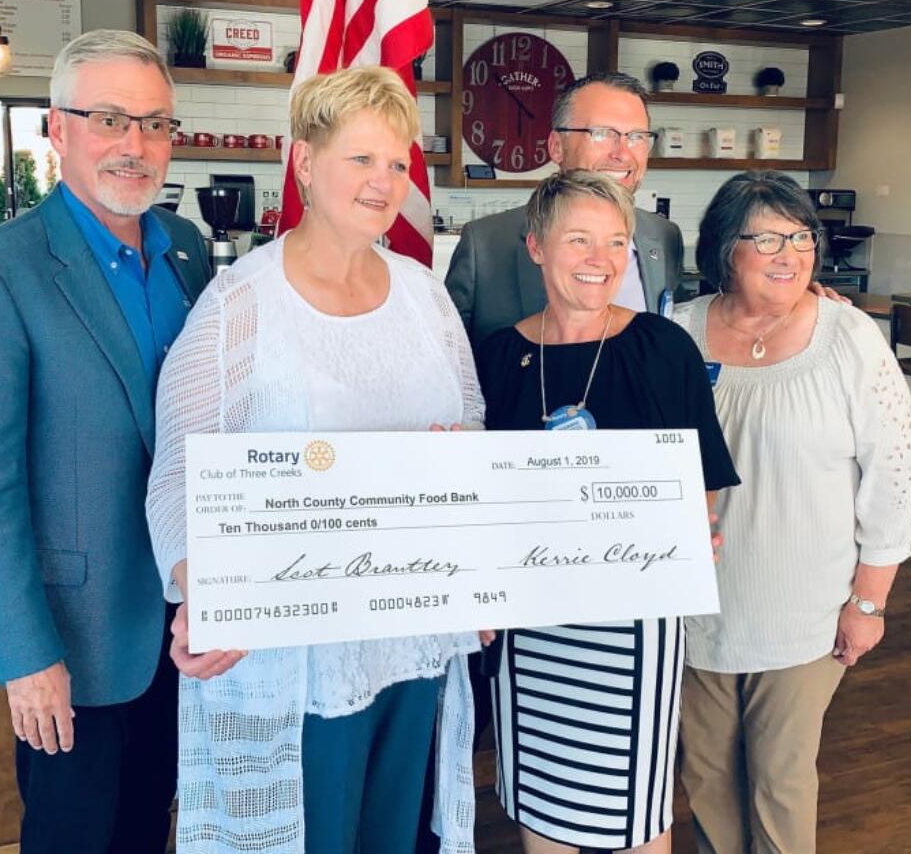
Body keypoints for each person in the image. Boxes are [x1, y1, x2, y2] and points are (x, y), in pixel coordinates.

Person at [145, 65, 483, 854]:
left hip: (413, 632)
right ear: (304, 163)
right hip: (299, 653)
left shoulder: (424, 294)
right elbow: (179, 474)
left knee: (394, 836)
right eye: (360, 159)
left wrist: (479, 568)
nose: (384, 182)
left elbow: (471, 429)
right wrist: (203, 593)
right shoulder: (240, 304)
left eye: (397, 163)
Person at [0, 29, 212, 852]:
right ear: (59, 129)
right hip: (73, 638)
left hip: (178, 624)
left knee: (145, 827)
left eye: (157, 124)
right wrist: (23, 654)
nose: (136, 145)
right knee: (72, 836)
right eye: (111, 120)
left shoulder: (187, 254)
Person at [475, 169, 741, 854]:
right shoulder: (499, 357)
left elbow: (704, 473)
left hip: (634, 623)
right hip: (531, 625)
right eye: (580, 240)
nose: (601, 260)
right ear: (537, 246)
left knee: (636, 814)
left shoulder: (661, 347)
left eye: (616, 242)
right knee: (543, 810)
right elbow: (476, 495)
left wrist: (692, 534)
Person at [671, 170, 911, 854]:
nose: (791, 253)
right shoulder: (676, 332)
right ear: (726, 248)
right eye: (768, 238)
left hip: (805, 611)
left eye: (802, 236)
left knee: (781, 784)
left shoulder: (848, 337)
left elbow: (895, 478)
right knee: (706, 776)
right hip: (696, 608)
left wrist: (868, 605)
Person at [446, 72, 684, 345]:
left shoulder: (664, 237)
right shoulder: (485, 244)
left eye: (637, 136)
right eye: (603, 134)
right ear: (557, 147)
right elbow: (450, 363)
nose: (622, 153)